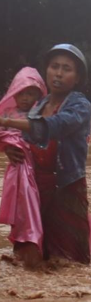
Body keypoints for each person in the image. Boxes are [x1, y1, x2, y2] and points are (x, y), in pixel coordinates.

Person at [1, 44, 91, 264]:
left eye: (67, 69)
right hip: (37, 187)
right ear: (46, 71)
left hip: (67, 186)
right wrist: (10, 149)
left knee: (70, 259)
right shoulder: (39, 104)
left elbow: (56, 125)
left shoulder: (80, 105)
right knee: (35, 256)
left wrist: (7, 121)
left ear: (77, 78)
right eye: (54, 66)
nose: (58, 73)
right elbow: (25, 139)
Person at [0, 67, 47, 267]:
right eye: (22, 93)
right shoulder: (7, 113)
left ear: (38, 95)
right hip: (18, 168)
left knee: (41, 209)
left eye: (31, 93)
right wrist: (6, 146)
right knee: (22, 205)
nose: (26, 98)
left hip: (39, 169)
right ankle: (25, 246)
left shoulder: (42, 115)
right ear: (14, 93)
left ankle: (35, 246)